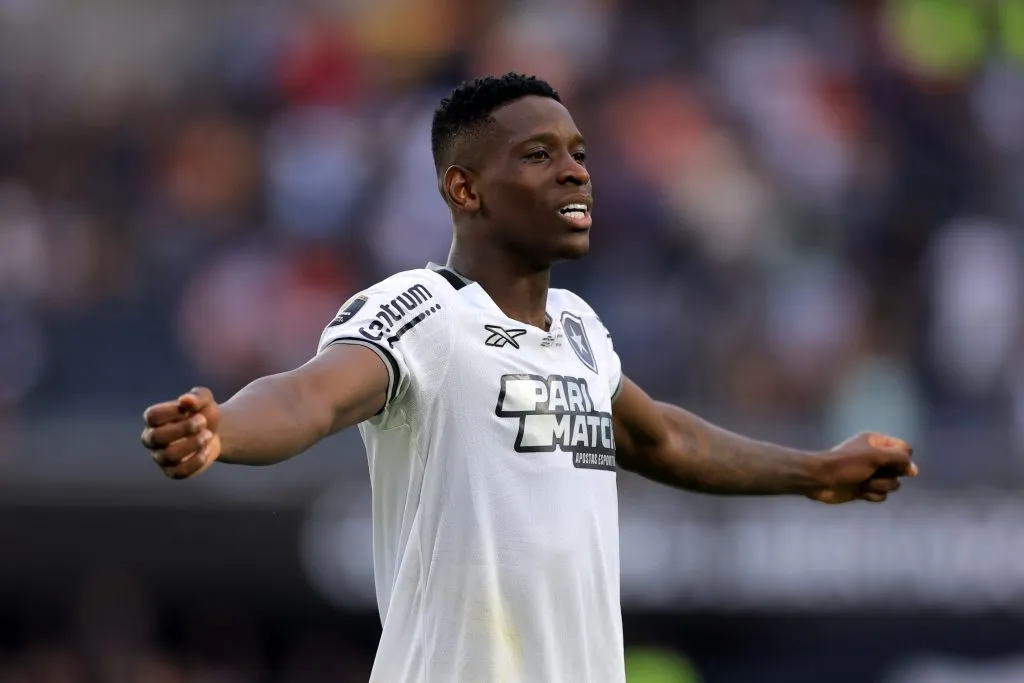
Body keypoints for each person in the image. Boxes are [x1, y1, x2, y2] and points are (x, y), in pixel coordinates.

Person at [140, 73, 918, 683]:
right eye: (538, 155)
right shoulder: (427, 312)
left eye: (578, 151)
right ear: (464, 189)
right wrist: (226, 429)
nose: (574, 172)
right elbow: (312, 393)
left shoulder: (578, 329)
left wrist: (815, 471)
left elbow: (663, 437)